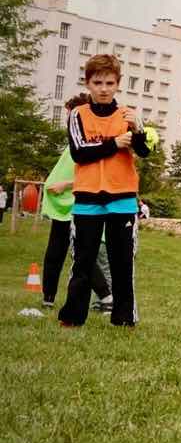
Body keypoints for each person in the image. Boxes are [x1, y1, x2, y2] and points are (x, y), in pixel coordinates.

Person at [59, 54, 153, 327]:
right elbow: (79, 153)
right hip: (87, 198)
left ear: (117, 84)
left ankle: (124, 319)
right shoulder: (78, 115)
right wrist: (114, 144)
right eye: (97, 82)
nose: (103, 88)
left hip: (122, 199)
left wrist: (139, 129)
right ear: (88, 83)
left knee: (122, 263)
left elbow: (144, 151)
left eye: (109, 82)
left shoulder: (127, 114)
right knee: (83, 262)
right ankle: (72, 317)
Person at [40, 92, 114, 310]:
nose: (69, 121)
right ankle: (48, 298)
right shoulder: (74, 140)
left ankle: (106, 296)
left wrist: (65, 185)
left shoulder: (93, 142)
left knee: (81, 253)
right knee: (54, 251)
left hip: (80, 205)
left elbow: (96, 173)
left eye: (73, 116)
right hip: (62, 206)